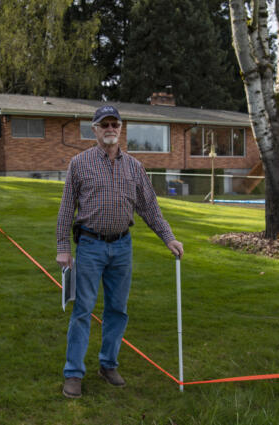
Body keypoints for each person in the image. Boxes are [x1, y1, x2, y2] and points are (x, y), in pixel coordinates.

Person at [56, 105, 184, 398]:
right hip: (89, 246)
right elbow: (66, 210)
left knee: (118, 310)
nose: (110, 128)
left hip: (122, 247)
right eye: (104, 124)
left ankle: (108, 364)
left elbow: (149, 207)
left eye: (115, 124)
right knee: (83, 310)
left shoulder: (135, 167)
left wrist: (169, 238)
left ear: (120, 128)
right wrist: (63, 248)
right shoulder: (79, 163)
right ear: (95, 129)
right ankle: (73, 373)